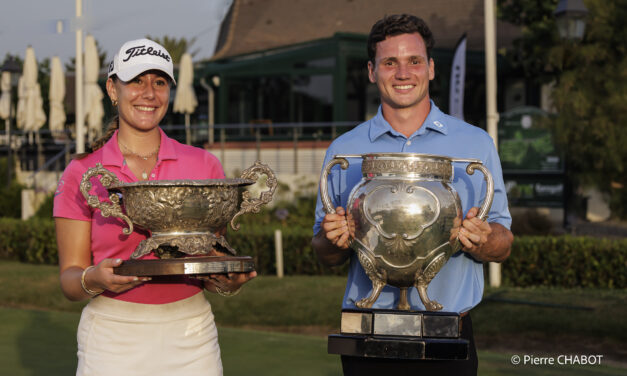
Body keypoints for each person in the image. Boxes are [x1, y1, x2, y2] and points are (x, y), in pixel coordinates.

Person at [312, 14, 513, 376]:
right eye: (390, 62)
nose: (403, 73)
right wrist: (333, 239)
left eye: (414, 61)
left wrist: (482, 239)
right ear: (372, 71)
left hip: (448, 333)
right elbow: (325, 254)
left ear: (432, 68)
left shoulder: (475, 143)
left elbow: (503, 243)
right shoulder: (345, 150)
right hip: (367, 334)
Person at [53, 38, 255, 376]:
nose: (149, 93)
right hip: (111, 336)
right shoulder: (82, 172)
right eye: (136, 80)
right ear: (112, 89)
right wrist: (95, 278)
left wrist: (227, 281)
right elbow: (70, 279)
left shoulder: (203, 164)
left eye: (159, 82)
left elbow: (209, 265)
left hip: (192, 334)